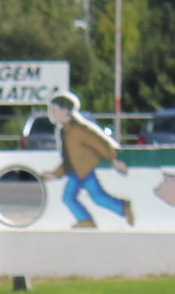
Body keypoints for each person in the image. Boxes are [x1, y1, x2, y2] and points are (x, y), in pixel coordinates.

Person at [48, 90, 132, 228]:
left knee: (70, 197)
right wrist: (56, 174)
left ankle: (88, 220)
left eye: (55, 110)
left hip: (83, 169)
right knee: (97, 197)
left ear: (65, 111)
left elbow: (99, 142)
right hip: (79, 170)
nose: (52, 114)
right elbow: (69, 159)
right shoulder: (65, 131)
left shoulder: (79, 130)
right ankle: (122, 208)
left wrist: (114, 159)